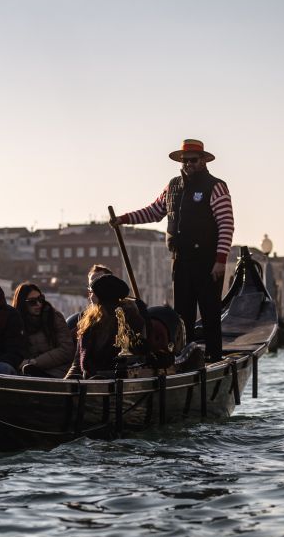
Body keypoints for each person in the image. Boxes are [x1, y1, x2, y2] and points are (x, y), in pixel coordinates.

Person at [110, 139, 233, 362]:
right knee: (182, 314)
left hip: (207, 261)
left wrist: (221, 259)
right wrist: (123, 219)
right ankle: (183, 356)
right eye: (185, 160)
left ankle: (214, 356)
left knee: (209, 312)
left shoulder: (216, 186)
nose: (188, 164)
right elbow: (154, 212)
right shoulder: (172, 186)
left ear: (203, 160)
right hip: (181, 260)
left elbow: (226, 224)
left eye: (193, 160)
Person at [66, 271, 149, 379]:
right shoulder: (89, 320)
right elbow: (78, 360)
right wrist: (66, 383)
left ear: (101, 296)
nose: (89, 297)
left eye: (91, 292)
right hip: (89, 381)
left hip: (117, 382)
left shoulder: (131, 320)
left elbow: (136, 357)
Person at [11, 282, 75, 378]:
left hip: (58, 371)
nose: (39, 304)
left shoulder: (54, 317)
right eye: (32, 302)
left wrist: (35, 362)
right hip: (28, 372)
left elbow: (67, 350)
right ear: (22, 304)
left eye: (41, 299)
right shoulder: (16, 323)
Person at [66, 264, 113, 333]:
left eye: (100, 285)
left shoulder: (126, 316)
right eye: (92, 287)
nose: (97, 290)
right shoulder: (75, 323)